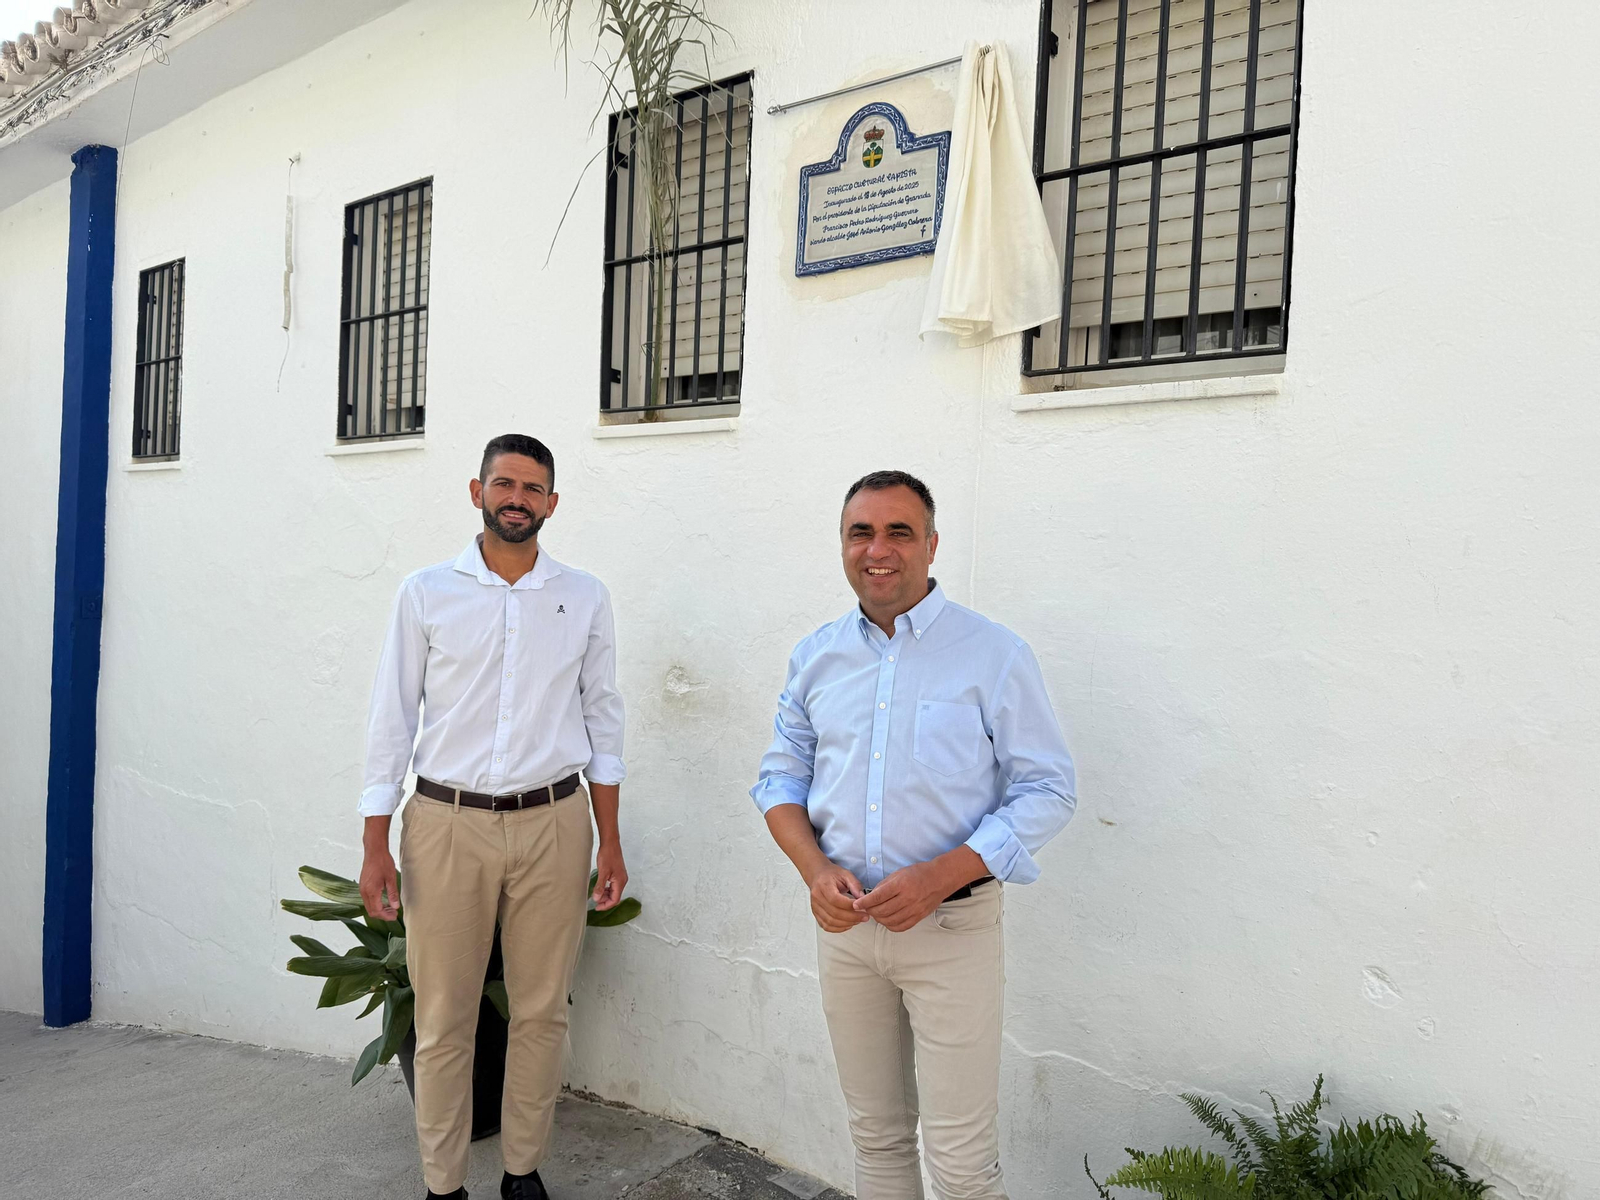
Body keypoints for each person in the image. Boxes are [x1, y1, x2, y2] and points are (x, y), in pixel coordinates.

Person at [751, 470, 1076, 1200]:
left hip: (952, 926)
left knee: (961, 1162)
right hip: (847, 929)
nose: (879, 549)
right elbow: (779, 781)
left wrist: (941, 873)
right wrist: (813, 872)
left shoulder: (993, 654)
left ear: (931, 545)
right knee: (877, 1138)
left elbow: (1049, 789)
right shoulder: (817, 656)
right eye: (861, 532)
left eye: (899, 531)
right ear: (842, 546)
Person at [358, 433, 629, 1200]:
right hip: (446, 823)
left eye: (532, 487)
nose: (518, 498)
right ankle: (443, 1185)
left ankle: (521, 1173)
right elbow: (390, 721)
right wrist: (376, 844)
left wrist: (610, 840)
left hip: (554, 822)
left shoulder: (584, 596)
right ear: (476, 492)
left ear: (551, 502)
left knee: (542, 1010)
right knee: (444, 1018)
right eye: (503, 483)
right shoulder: (426, 592)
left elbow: (604, 722)